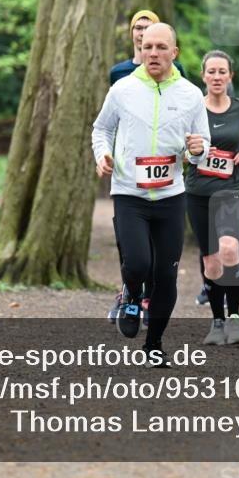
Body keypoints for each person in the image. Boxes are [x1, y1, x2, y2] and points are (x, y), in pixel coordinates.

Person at [92, 23, 209, 363]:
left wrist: (199, 149)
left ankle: (154, 345)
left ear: (175, 52)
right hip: (130, 192)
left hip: (171, 195)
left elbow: (201, 146)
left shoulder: (190, 94)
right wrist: (103, 156)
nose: (153, 53)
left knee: (165, 275)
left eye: (161, 47)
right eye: (147, 46)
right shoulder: (123, 89)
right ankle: (130, 290)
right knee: (139, 262)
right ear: (140, 50)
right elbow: (101, 129)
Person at [187, 50, 239, 346]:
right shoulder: (192, 108)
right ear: (204, 76)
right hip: (198, 192)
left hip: (231, 191)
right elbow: (179, 143)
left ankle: (234, 318)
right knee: (211, 264)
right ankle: (216, 322)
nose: (217, 77)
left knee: (229, 250)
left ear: (230, 76)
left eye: (222, 71)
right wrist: (191, 150)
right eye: (212, 72)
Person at [108, 10, 186, 86]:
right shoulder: (118, 72)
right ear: (131, 33)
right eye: (138, 28)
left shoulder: (174, 69)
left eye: (149, 28)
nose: (143, 33)